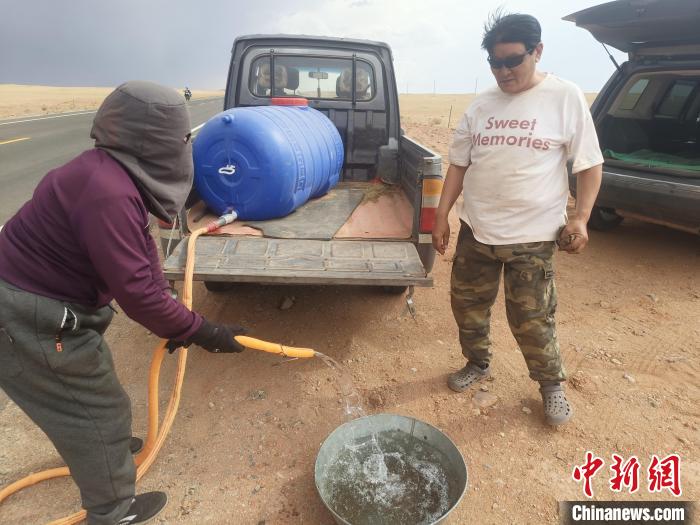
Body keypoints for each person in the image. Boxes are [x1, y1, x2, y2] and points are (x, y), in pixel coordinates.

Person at [0, 81, 245, 524]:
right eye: (181, 138)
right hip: (26, 316)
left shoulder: (109, 174)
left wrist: (176, 318)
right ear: (154, 141)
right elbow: (139, 294)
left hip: (42, 302)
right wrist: (201, 330)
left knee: (96, 395)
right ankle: (113, 510)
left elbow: (140, 257)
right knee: (93, 409)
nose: (184, 146)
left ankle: (104, 445)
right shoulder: (106, 191)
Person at [432, 12, 603, 426]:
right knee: (468, 308)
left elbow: (589, 164)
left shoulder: (564, 96)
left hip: (533, 237)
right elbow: (458, 164)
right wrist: (442, 216)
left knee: (531, 318)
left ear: (537, 51)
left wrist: (580, 217)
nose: (504, 71)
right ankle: (478, 363)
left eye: (513, 60)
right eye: (495, 62)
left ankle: (550, 385)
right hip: (477, 232)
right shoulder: (481, 104)